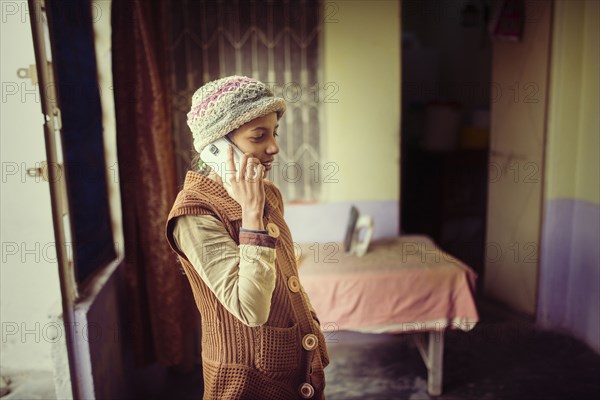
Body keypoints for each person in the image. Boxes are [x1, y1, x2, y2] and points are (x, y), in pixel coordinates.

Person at [165, 76, 329, 399]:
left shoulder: (268, 193)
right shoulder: (193, 214)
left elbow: (282, 272)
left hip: (294, 365)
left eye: (274, 133)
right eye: (259, 136)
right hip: (246, 380)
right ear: (218, 149)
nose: (274, 147)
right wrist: (252, 217)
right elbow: (250, 308)